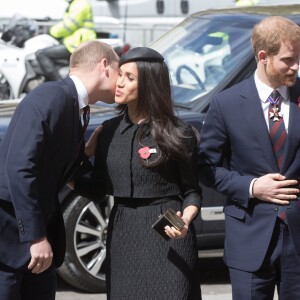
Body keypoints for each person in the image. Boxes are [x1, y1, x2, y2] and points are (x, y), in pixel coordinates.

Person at [72, 47, 202, 299]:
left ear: (151, 85)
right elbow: (97, 189)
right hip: (123, 233)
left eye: (129, 78)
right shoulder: (107, 131)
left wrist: (185, 221)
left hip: (168, 234)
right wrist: (65, 171)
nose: (119, 83)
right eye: (119, 74)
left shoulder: (178, 132)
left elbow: (192, 192)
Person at [0, 40, 119, 300]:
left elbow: (50, 165)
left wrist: (83, 155)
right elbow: (20, 167)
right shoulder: (51, 96)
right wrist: (35, 237)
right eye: (120, 71)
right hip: (10, 239)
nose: (121, 82)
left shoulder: (76, 105)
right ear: (105, 66)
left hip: (37, 241)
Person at [198, 16, 300, 299]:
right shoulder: (226, 104)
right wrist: (253, 187)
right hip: (249, 238)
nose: (296, 67)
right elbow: (206, 168)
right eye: (289, 60)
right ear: (263, 57)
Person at [36, 0, 96, 81]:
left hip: (77, 44)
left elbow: (69, 25)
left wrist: (52, 31)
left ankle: (58, 82)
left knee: (41, 54)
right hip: (75, 42)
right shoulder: (76, 3)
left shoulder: (80, 4)